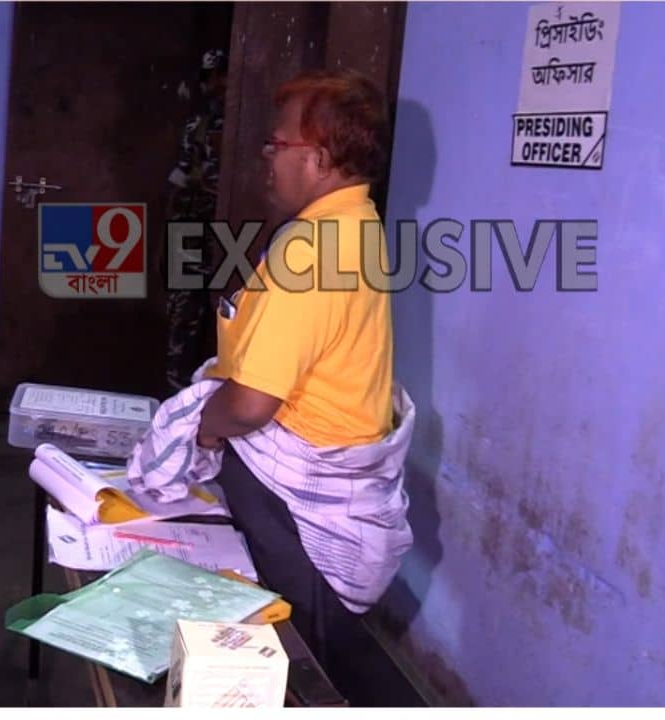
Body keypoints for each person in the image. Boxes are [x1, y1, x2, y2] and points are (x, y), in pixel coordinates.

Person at [193, 69, 413, 706]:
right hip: (314, 485)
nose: (267, 156)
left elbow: (251, 403)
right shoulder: (358, 223)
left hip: (296, 505)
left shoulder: (311, 249)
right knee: (319, 654)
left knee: (303, 663)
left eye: (277, 143)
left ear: (317, 158)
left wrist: (204, 426)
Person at [165, 49, 227, 393]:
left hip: (230, 233)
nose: (216, 84)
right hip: (192, 230)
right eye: (210, 77)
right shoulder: (198, 126)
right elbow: (179, 179)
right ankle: (177, 394)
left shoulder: (248, 127)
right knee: (184, 315)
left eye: (220, 75)